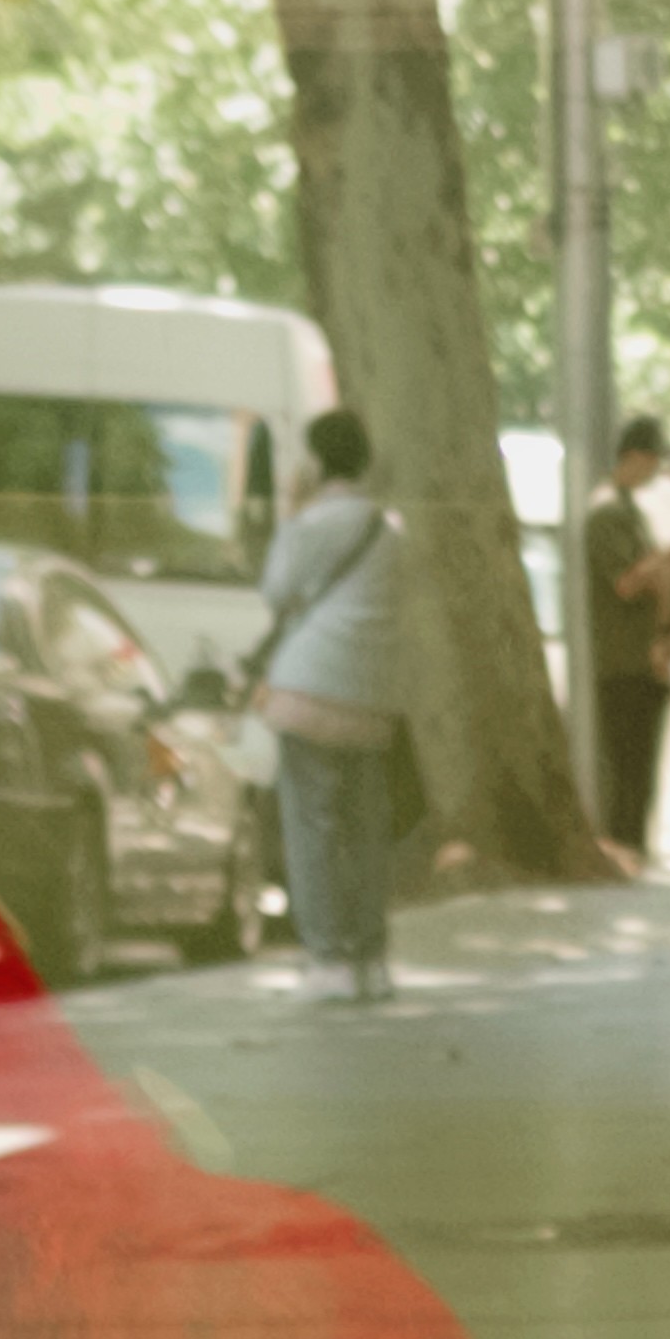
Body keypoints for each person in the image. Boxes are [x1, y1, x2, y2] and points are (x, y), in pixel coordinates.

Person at [255, 407, 406, 1003]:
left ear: (317, 461)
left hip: (311, 689)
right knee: (366, 829)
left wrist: (291, 513)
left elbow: (275, 588)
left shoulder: (316, 523)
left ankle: (327, 960)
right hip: (371, 696)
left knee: (312, 826)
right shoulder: (388, 529)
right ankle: (373, 958)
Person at [584, 413, 670, 861]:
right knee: (628, 767)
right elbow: (625, 582)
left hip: (641, 660)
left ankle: (633, 847)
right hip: (622, 661)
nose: (657, 470)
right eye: (654, 459)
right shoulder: (608, 513)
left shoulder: (630, 511)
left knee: (640, 769)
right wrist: (664, 562)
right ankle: (625, 848)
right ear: (634, 457)